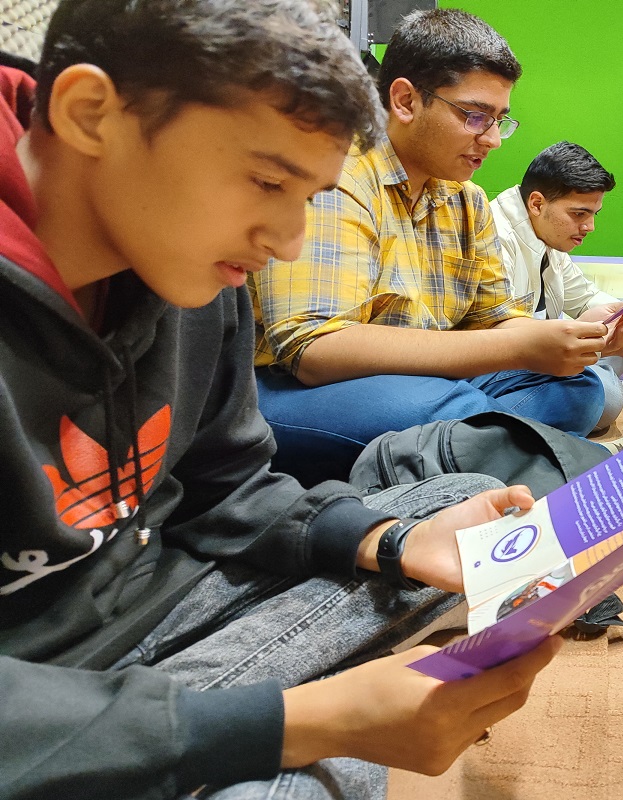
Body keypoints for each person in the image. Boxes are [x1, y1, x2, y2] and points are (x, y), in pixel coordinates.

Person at [0, 2, 560, 797]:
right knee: (310, 763)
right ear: (91, 114)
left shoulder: (195, 267)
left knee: (455, 507)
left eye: (308, 196)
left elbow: (227, 489)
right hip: (30, 686)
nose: (287, 242)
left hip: (154, 602)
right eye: (266, 182)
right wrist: (292, 725)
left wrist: (391, 541)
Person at [251, 10, 623, 485]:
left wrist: (572, 339)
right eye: (475, 116)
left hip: (434, 385)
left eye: (500, 120)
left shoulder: (467, 200)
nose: (493, 140)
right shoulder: (339, 178)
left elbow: (494, 318)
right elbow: (315, 349)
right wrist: (513, 347)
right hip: (295, 389)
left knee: (580, 390)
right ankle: (560, 459)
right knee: (442, 408)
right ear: (405, 100)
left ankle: (479, 450)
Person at [490, 141, 623, 429]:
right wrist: (618, 346)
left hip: (543, 356)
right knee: (602, 398)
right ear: (537, 203)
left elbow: (585, 298)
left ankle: (601, 373)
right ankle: (603, 378)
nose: (590, 227)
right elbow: (499, 340)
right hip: (502, 366)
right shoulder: (493, 238)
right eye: (579, 214)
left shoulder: (546, 233)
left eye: (594, 214)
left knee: (621, 336)